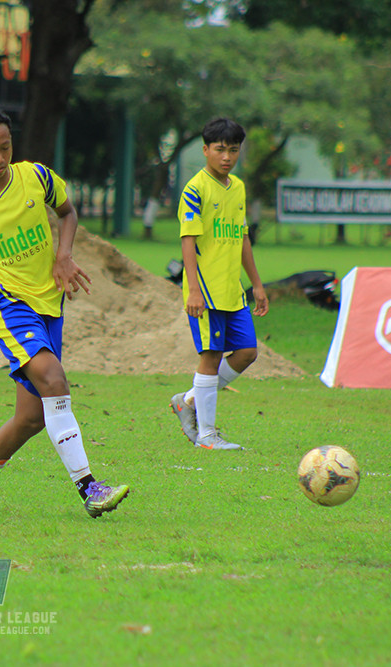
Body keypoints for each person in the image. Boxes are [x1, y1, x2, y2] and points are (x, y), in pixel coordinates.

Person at [0, 104, 129, 519]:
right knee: (54, 379)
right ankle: (90, 488)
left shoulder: (36, 176)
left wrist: (64, 256)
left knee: (31, 418)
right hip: (8, 305)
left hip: (49, 303)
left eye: (5, 147)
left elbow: (68, 213)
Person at [169, 118, 268, 451]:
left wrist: (256, 283)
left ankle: (189, 401)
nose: (227, 157)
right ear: (205, 150)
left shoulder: (237, 187)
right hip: (207, 290)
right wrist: (194, 289)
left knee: (247, 352)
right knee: (210, 356)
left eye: (234, 150)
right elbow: (188, 241)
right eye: (220, 149)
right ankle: (208, 436)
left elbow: (241, 237)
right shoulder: (195, 190)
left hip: (232, 290)